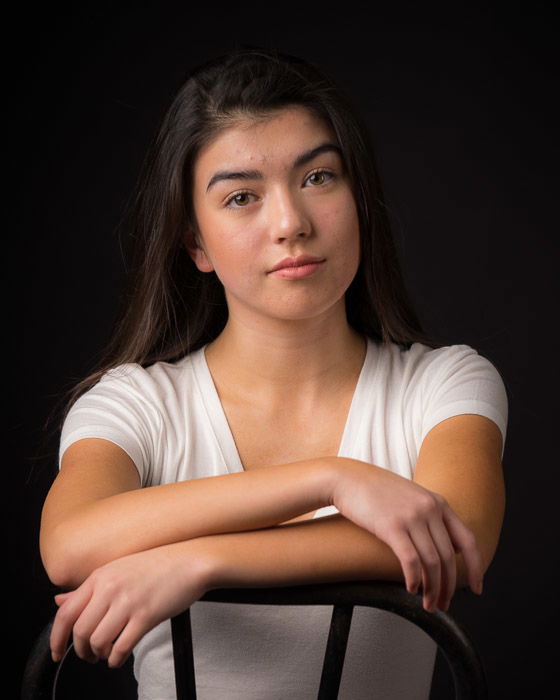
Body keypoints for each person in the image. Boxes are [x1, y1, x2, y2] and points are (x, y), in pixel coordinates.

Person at [39, 47, 508, 699]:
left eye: (318, 178)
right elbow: (68, 543)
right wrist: (330, 479)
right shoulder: (135, 404)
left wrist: (200, 561)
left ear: (360, 198)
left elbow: (457, 541)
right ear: (195, 243)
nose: (290, 223)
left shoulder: (444, 384)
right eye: (240, 197)